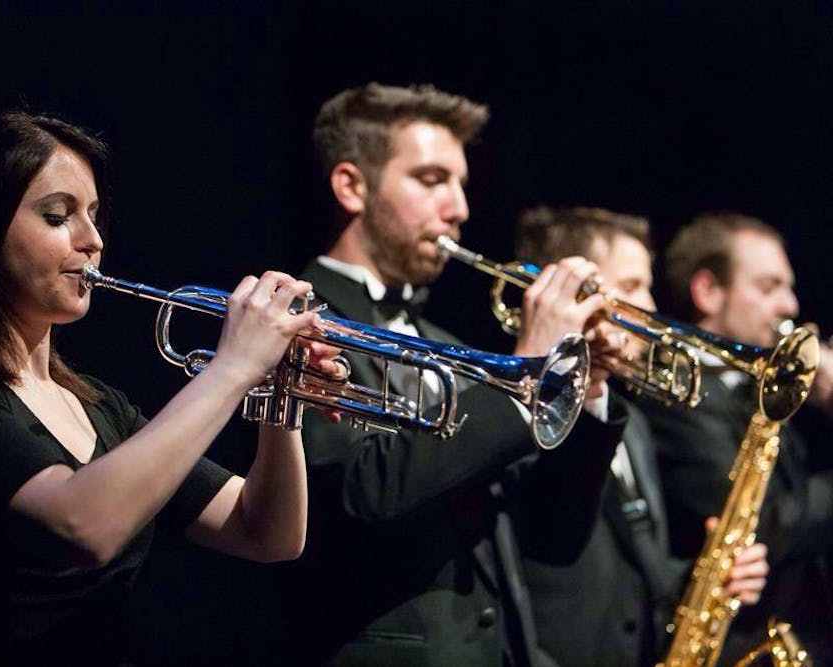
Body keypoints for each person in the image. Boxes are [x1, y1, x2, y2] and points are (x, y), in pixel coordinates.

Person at [0, 111, 336, 665]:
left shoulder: (101, 406)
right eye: (57, 215)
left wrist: (283, 397)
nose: (92, 240)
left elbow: (268, 533)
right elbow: (82, 526)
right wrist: (232, 368)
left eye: (92, 214)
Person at [279, 82, 630, 667]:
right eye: (432, 179)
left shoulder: (449, 347)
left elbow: (550, 537)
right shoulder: (294, 320)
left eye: (461, 184)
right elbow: (359, 496)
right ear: (351, 186)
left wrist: (583, 391)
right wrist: (521, 375)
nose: (460, 208)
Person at [513, 206, 769, 667]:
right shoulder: (518, 415)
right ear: (572, 293)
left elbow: (634, 567)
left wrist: (709, 575)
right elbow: (550, 532)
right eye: (631, 287)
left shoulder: (632, 422)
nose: (651, 307)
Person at [641, 211, 833, 662]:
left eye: (787, 286)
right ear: (708, 290)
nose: (789, 305)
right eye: (769, 287)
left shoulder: (755, 391)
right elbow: (759, 524)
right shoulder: (674, 395)